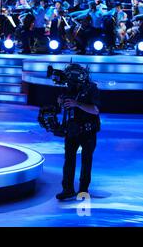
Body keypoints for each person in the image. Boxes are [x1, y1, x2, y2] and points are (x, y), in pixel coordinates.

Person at [56, 63, 100, 200]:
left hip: (88, 131)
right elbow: (64, 103)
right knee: (69, 160)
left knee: (86, 161)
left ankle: (83, 191)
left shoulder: (92, 88)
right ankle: (67, 189)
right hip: (72, 129)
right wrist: (61, 102)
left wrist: (77, 104)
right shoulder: (68, 87)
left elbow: (95, 110)